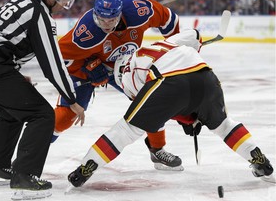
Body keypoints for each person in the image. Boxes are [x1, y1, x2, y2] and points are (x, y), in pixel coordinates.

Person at [67, 29, 275, 188]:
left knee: (126, 130)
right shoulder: (163, 43)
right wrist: (192, 116)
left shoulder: (127, 78)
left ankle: (86, 167)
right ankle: (259, 160)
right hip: (206, 75)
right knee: (224, 126)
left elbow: (160, 109)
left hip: (169, 80)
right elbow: (193, 35)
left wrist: (185, 117)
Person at [53, 0, 183, 170]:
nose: (106, 25)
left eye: (111, 20)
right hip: (84, 68)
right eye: (101, 19)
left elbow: (168, 19)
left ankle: (157, 149)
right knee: (66, 117)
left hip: (122, 67)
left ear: (120, 14)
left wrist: (178, 51)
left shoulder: (140, 11)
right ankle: (29, 155)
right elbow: (58, 58)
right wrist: (88, 66)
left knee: (151, 100)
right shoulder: (86, 33)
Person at [0, 0, 84, 199]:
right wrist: (71, 98)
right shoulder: (40, 13)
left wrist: (14, 75)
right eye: (64, 1)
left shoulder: (21, 1)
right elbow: (52, 63)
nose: (64, 7)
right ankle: (25, 178)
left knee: (13, 110)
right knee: (41, 114)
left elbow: (1, 37)